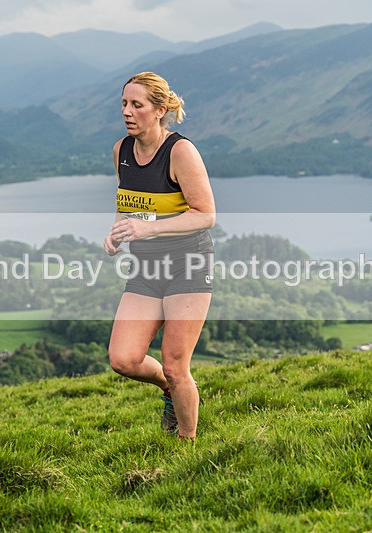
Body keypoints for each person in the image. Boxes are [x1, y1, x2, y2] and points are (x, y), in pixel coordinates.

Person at [103, 71, 216, 441]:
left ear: (160, 110)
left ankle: (187, 445)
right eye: (124, 103)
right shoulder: (121, 151)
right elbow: (128, 201)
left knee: (175, 365)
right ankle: (169, 392)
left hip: (188, 266)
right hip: (147, 269)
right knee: (123, 359)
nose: (127, 111)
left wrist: (147, 229)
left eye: (137, 105)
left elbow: (206, 215)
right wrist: (117, 230)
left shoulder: (180, 152)